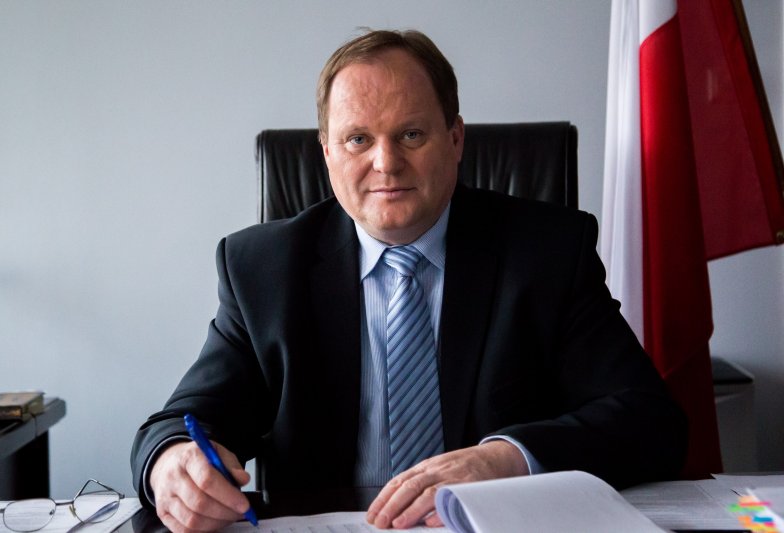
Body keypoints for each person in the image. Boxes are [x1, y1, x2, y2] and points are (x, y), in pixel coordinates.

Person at [131, 29, 687, 532]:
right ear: (326, 154)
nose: (387, 162)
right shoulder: (262, 269)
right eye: (358, 139)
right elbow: (182, 421)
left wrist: (505, 458)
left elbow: (650, 420)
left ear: (455, 139)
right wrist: (171, 462)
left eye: (412, 134)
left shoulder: (546, 254)